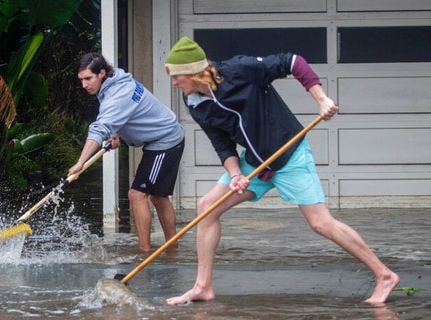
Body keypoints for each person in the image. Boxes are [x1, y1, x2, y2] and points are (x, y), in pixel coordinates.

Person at [162, 37, 399, 305]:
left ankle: (384, 275)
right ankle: (202, 287)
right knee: (207, 207)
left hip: (289, 154)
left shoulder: (240, 70)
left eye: (178, 76)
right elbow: (222, 144)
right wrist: (237, 173)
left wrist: (321, 99)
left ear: (196, 73)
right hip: (255, 162)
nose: (174, 83)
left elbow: (293, 61)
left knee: (320, 223)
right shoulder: (194, 102)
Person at [69, 52, 185, 252]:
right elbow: (128, 114)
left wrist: (80, 163)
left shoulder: (117, 94)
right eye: (81, 80)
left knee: (136, 194)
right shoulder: (116, 81)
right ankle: (172, 248)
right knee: (158, 196)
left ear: (102, 73)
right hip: (164, 135)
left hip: (165, 140)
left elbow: (101, 126)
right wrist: (118, 134)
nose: (84, 85)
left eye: (88, 78)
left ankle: (144, 252)